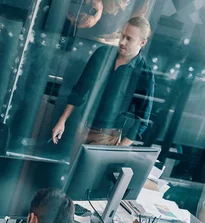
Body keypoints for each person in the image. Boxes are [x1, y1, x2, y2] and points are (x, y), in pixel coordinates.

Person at [52, 16, 155, 147]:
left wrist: (121, 148)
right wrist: (62, 120)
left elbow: (143, 119)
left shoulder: (145, 74)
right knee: (71, 167)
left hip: (108, 137)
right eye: (122, 35)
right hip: (82, 128)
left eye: (129, 39)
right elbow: (80, 90)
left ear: (142, 42)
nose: (122, 42)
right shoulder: (102, 54)